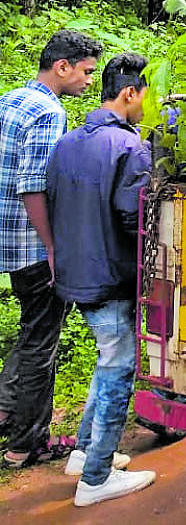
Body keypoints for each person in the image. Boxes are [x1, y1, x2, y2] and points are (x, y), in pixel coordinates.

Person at [45, 52, 157, 505]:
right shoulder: (130, 148)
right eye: (145, 96)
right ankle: (95, 478)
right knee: (118, 368)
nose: (146, 106)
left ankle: (84, 452)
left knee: (106, 358)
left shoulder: (69, 141)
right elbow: (136, 219)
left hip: (76, 274)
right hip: (110, 277)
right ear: (130, 93)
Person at [0, 30, 103, 469]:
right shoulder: (48, 112)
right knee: (43, 342)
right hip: (30, 245)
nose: (89, 82)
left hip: (8, 240)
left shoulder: (11, 99)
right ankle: (26, 445)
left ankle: (7, 412)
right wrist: (53, 248)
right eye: (85, 72)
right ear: (62, 67)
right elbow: (32, 186)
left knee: (31, 331)